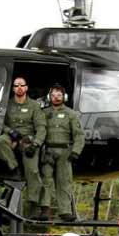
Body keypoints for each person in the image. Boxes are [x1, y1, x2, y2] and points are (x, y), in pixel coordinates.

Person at [0, 77, 46, 207]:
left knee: (32, 170)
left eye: (22, 85)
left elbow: (41, 127)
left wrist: (36, 143)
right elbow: (0, 122)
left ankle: (33, 200)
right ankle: (14, 168)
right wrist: (9, 131)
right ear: (13, 88)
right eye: (16, 86)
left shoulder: (34, 106)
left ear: (26, 88)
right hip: (11, 136)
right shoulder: (7, 104)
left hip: (28, 139)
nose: (19, 88)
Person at [41, 82, 84, 221]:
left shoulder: (71, 114)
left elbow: (79, 134)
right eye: (53, 95)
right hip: (48, 150)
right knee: (46, 180)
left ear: (64, 96)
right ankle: (44, 209)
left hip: (65, 151)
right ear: (49, 97)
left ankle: (65, 211)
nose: (56, 97)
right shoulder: (44, 113)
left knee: (64, 181)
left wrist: (76, 151)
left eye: (59, 94)